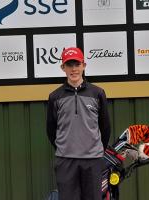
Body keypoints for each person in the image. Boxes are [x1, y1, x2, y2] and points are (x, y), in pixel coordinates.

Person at [46, 47, 111, 200]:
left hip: (93, 161)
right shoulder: (55, 96)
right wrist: (65, 148)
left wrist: (95, 150)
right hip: (66, 161)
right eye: (69, 65)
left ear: (84, 65)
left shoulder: (98, 93)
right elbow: (51, 129)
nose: (73, 69)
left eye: (77, 64)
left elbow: (105, 127)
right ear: (63, 67)